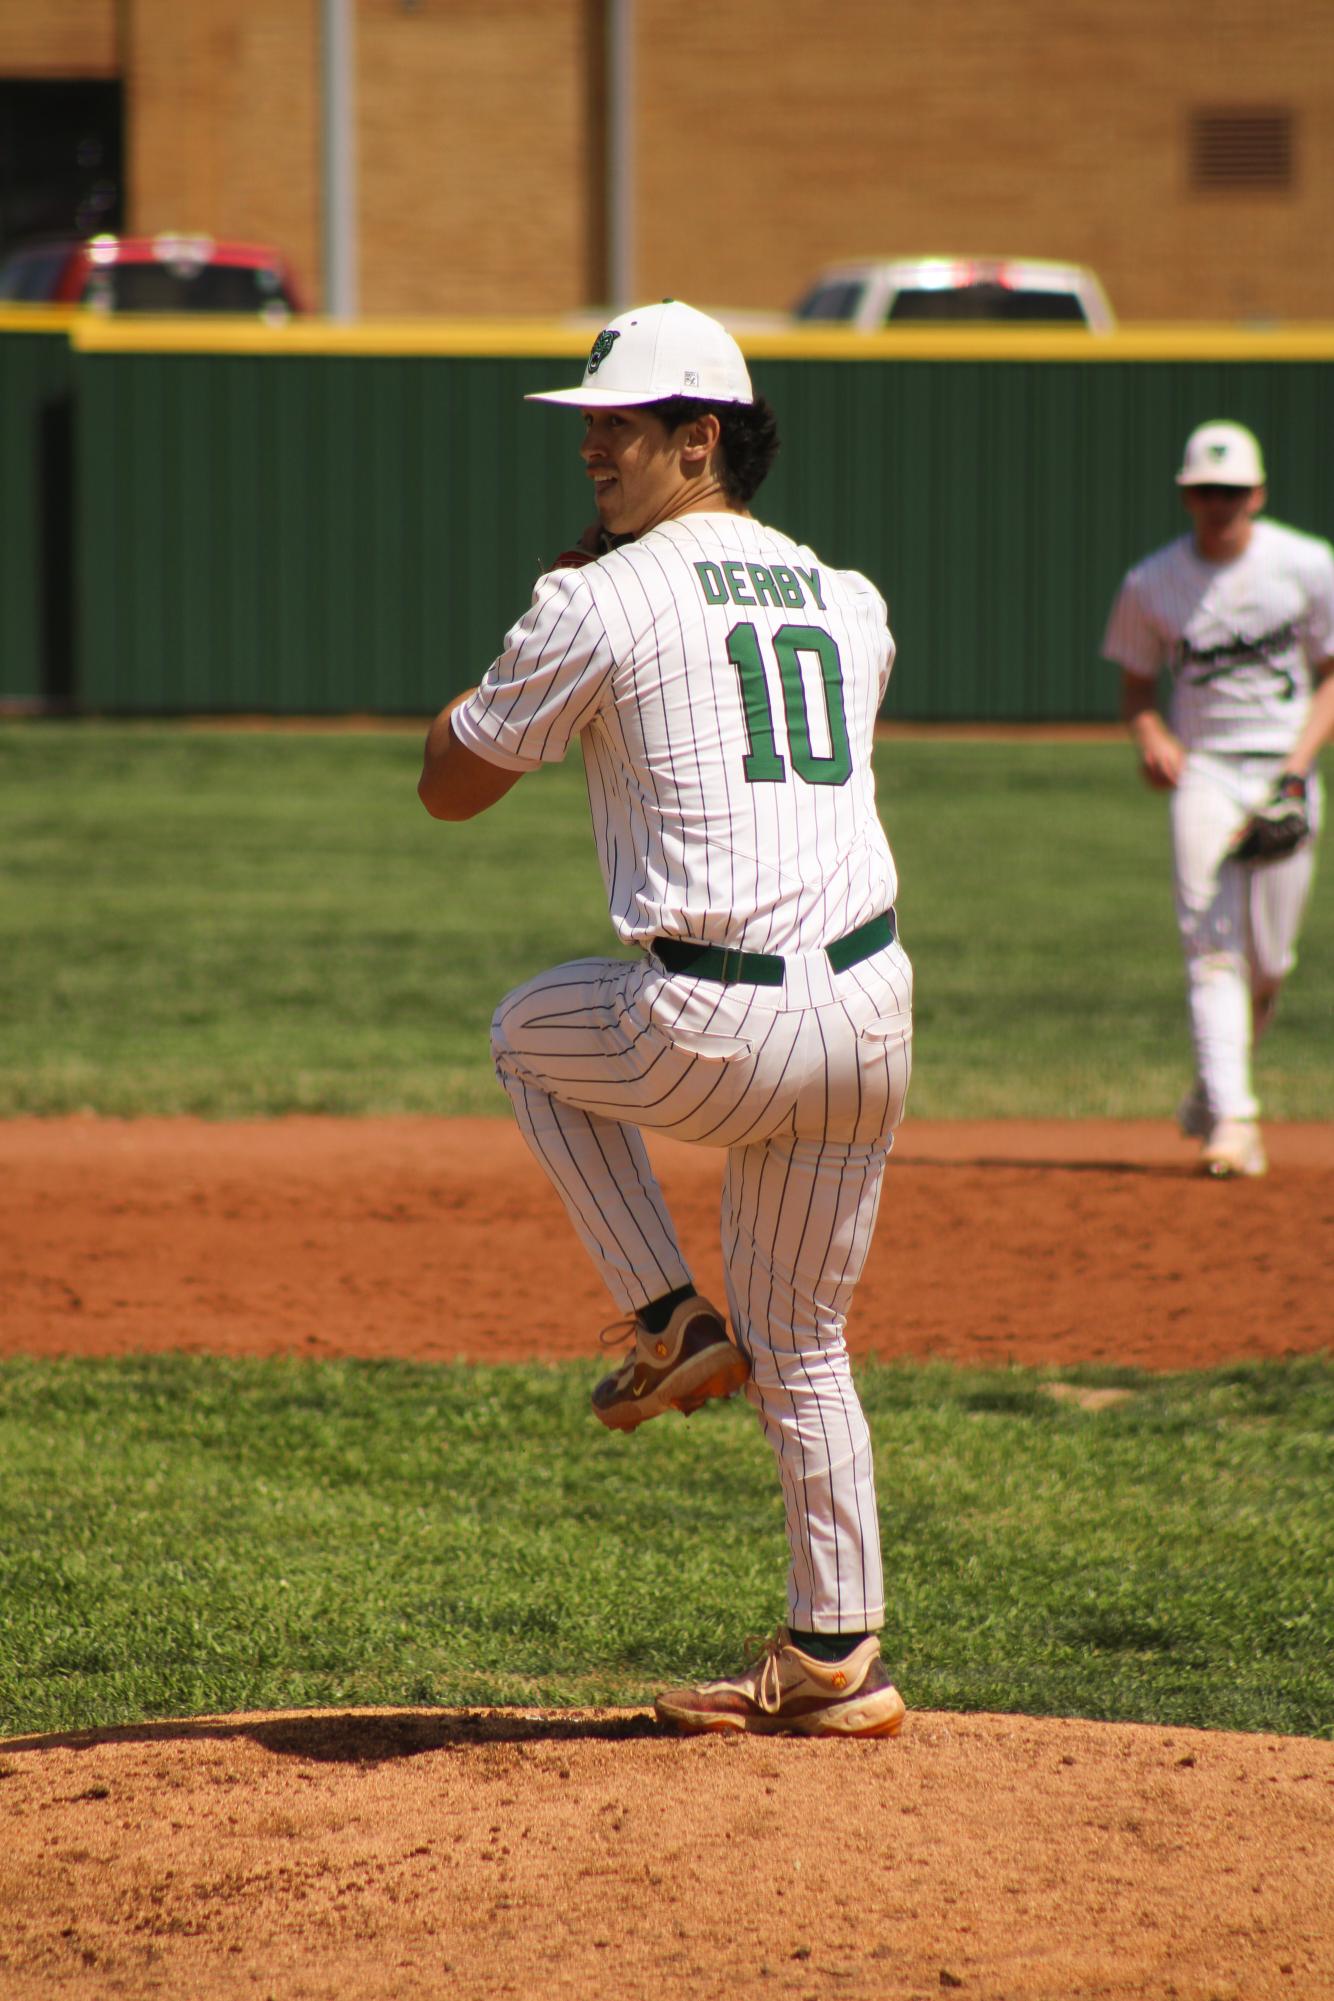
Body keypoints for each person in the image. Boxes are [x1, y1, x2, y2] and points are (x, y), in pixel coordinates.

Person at [417, 300, 912, 1738]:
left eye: (620, 425)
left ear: (701, 439)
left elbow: (453, 784)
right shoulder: (850, 596)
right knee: (807, 1344)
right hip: (870, 1017)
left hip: (711, 1020)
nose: (593, 448)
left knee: (527, 1035)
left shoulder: (600, 596)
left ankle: (665, 1313)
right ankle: (836, 1657)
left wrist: (501, 669)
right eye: (588, 426)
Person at [1102, 420, 1334, 1177]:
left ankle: (1213, 1085)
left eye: (1232, 491)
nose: (1218, 503)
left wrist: (1298, 768)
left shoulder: (1306, 564)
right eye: (1205, 490)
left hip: (1284, 765)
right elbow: (1138, 685)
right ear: (1185, 495)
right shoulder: (1153, 581)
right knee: (1212, 950)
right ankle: (1234, 1123)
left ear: (1258, 493)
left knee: (1269, 962)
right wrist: (1152, 737)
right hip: (1205, 772)